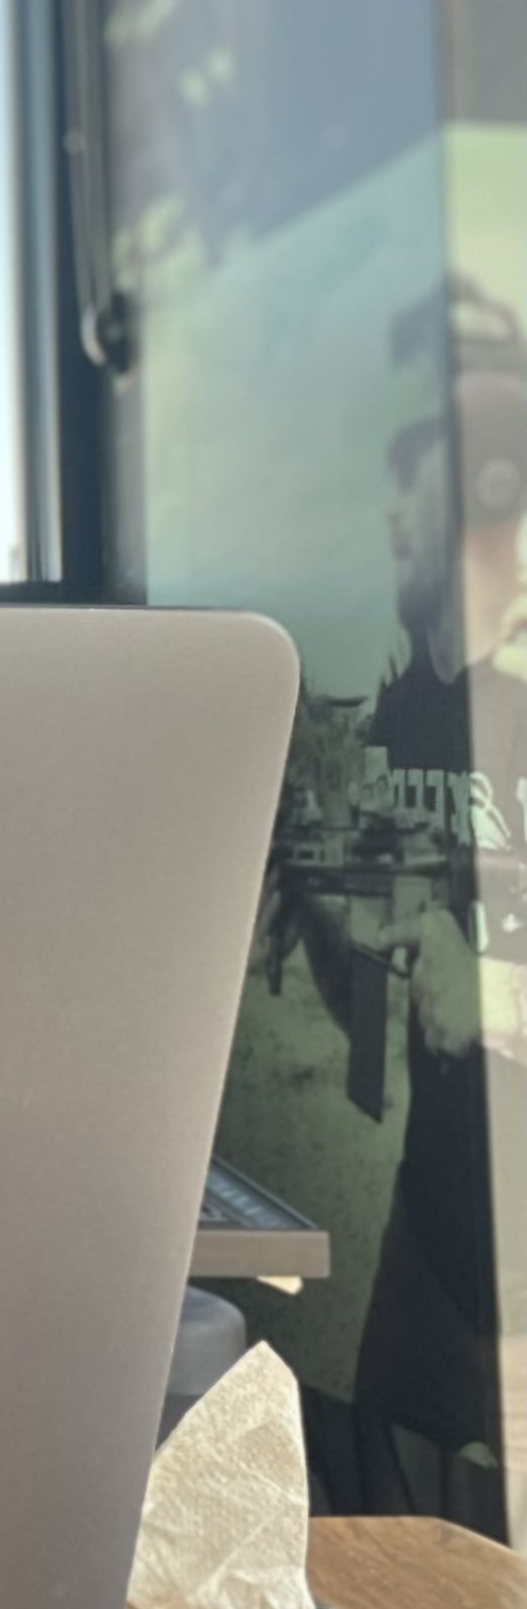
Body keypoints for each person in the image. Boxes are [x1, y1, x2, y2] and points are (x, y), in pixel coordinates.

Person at [279, 276, 527, 1533]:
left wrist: (485, 988)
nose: (385, 506)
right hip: (425, 1253)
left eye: (407, 466)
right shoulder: (392, 714)